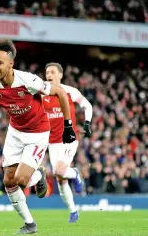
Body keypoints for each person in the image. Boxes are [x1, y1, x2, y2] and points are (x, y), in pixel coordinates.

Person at [0, 39, 76, 234]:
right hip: (15, 132)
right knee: (8, 182)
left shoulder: (28, 80)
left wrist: (68, 125)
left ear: (11, 64)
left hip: (37, 133)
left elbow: (60, 93)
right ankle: (30, 224)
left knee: (21, 179)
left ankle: (38, 175)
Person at [43, 62, 93, 223]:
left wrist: (87, 123)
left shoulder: (70, 91)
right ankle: (73, 211)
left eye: (52, 72)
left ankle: (76, 173)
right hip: (52, 142)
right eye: (47, 72)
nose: (49, 75)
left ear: (60, 75)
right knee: (60, 177)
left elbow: (87, 105)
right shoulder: (42, 93)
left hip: (68, 138)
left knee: (59, 170)